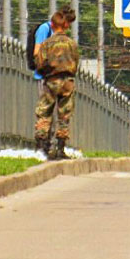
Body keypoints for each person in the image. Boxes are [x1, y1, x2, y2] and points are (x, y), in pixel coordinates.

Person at [32, 9, 80, 160]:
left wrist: (47, 71)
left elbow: (39, 62)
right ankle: (60, 147)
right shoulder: (72, 44)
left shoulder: (47, 43)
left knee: (44, 112)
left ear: (52, 25)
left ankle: (42, 147)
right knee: (64, 114)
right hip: (67, 81)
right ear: (65, 26)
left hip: (51, 80)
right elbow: (76, 61)